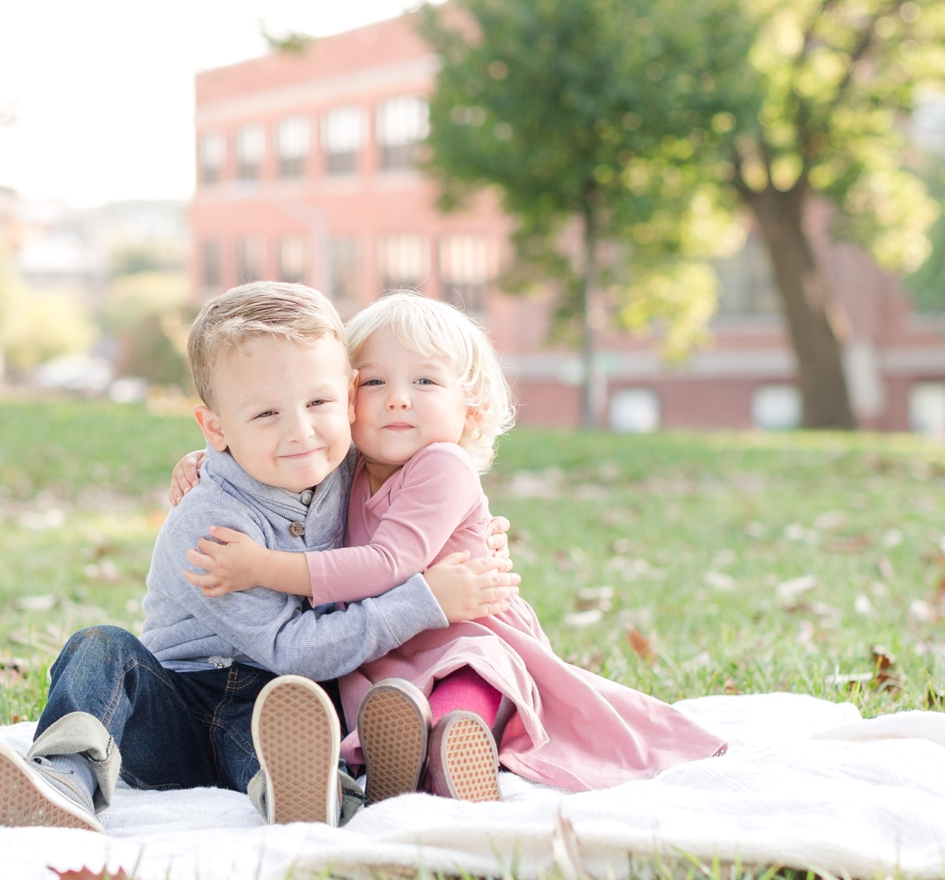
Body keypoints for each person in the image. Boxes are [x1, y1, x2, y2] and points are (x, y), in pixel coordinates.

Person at [0, 282, 519, 832]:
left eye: (319, 401)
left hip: (276, 707)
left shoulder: (341, 464)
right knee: (99, 647)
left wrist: (473, 534)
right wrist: (422, 602)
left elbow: (412, 495)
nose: (300, 432)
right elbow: (294, 648)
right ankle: (63, 781)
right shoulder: (212, 525)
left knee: (293, 723)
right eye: (265, 414)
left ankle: (312, 795)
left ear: (346, 400)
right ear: (217, 427)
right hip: (178, 712)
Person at [177, 293, 726, 805]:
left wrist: (262, 568)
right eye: (374, 384)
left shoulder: (443, 465)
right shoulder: (348, 467)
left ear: (472, 412)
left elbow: (386, 564)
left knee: (467, 675)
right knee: (383, 698)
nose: (397, 398)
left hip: (462, 624)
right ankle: (401, 748)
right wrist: (207, 462)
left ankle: (453, 751)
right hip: (388, 645)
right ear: (346, 400)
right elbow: (278, 423)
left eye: (424, 381)